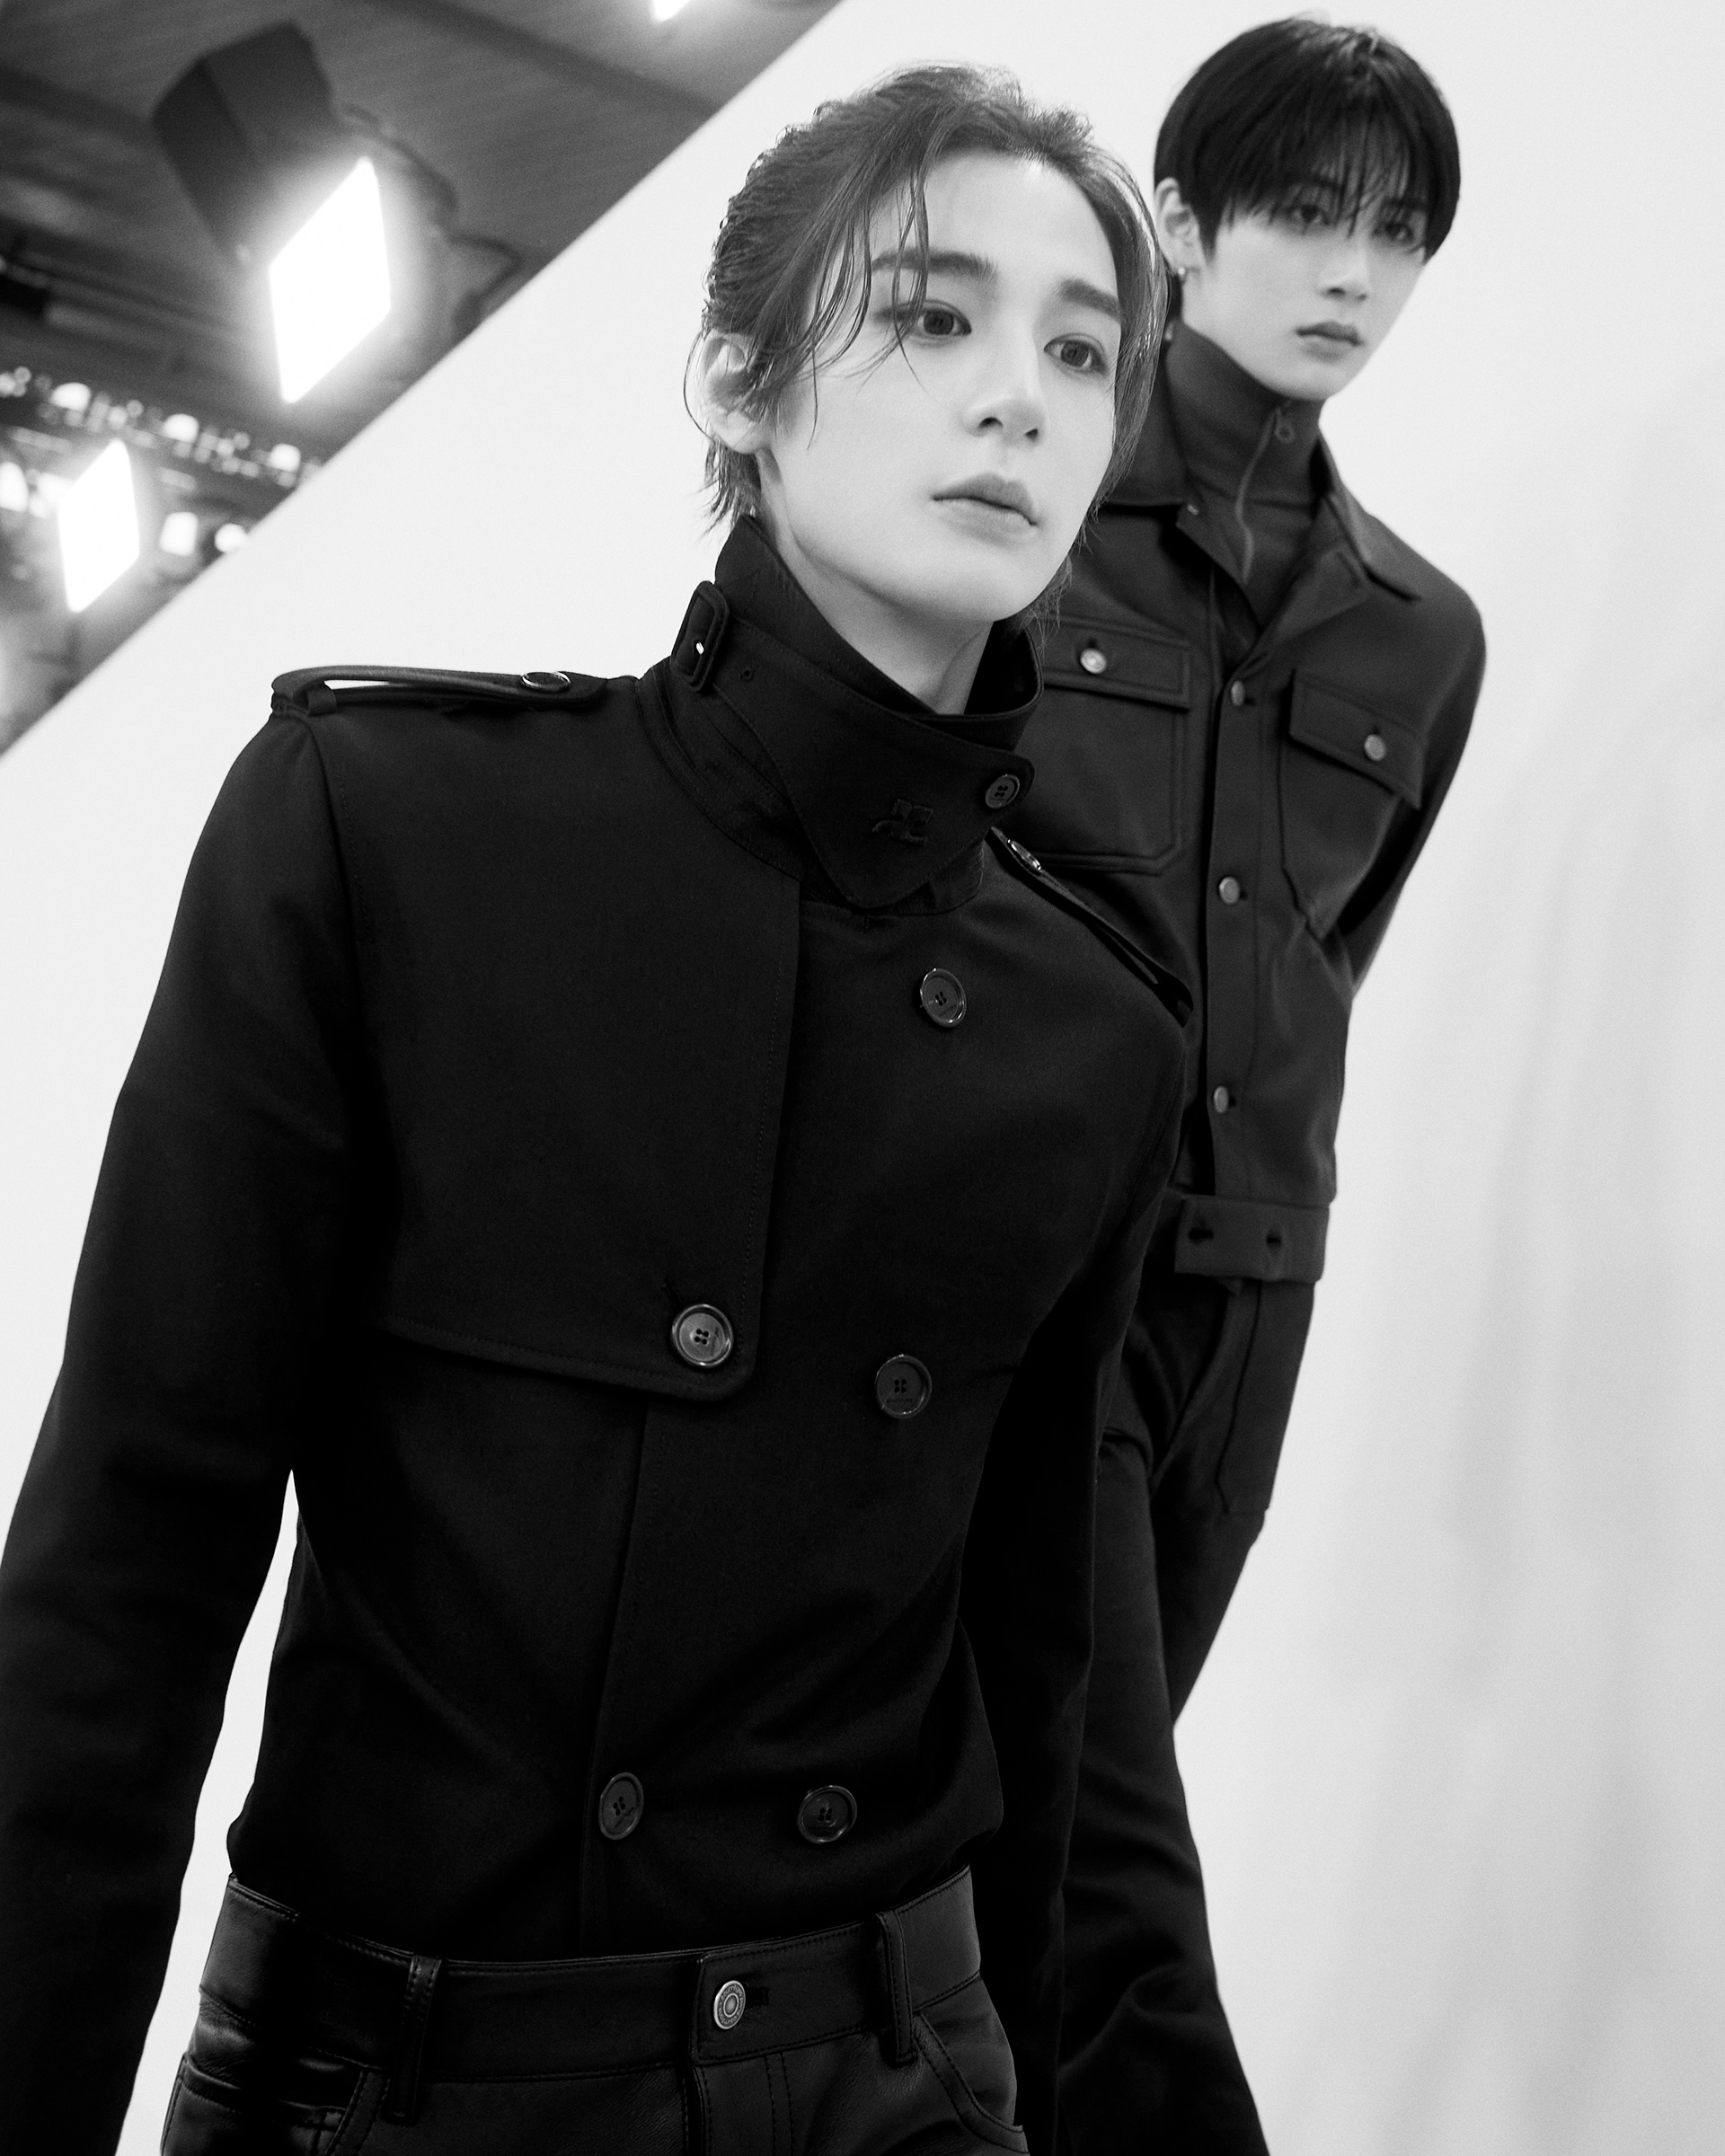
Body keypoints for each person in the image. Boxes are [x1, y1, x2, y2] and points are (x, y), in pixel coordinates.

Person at [0, 65, 1193, 2156]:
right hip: (411, 2088)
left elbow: (1052, 1681)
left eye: (1082, 353)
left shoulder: (1091, 1020)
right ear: (737, 376)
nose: (1020, 395)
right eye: (933, 315)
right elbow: (126, 1577)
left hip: (899, 2081)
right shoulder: (390, 833)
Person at [1000, 22, 1487, 2151]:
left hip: (1251, 1303)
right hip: (1039, 1279)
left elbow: (1326, 961)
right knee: (1120, 1894)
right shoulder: (1025, 523)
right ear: (1181, 226)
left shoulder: (1423, 639)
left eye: (1396, 233)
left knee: (1040, 1840)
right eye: (1303, 213)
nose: (1350, 271)